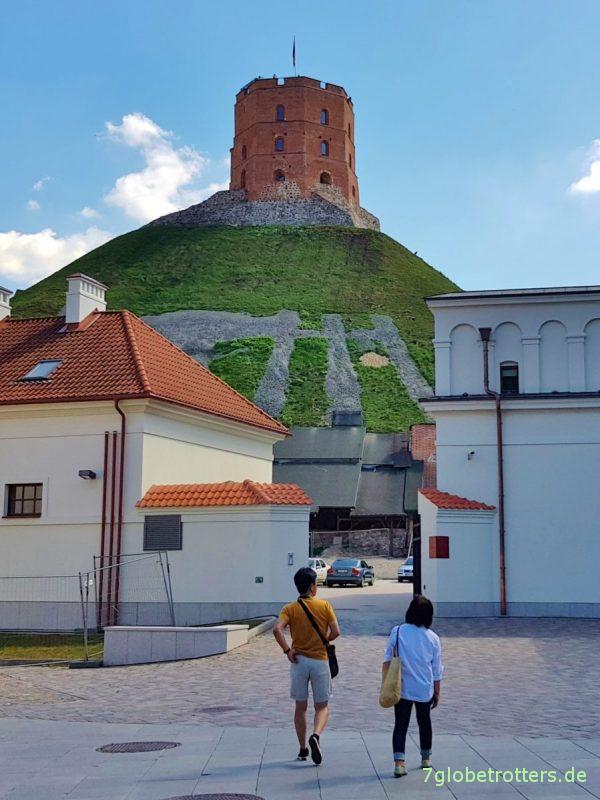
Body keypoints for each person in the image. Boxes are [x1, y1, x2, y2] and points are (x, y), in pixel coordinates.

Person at [273, 566, 340, 765]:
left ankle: (303, 749)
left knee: (300, 707)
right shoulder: (324, 606)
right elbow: (336, 632)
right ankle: (316, 736)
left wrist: (287, 650)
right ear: (312, 587)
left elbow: (277, 629)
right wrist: (324, 640)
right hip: (320, 661)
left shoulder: (289, 609)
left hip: (299, 662)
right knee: (322, 706)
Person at [382, 594, 443, 778]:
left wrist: (386, 681)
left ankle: (399, 763)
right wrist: (437, 692)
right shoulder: (433, 638)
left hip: (401, 686)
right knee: (425, 722)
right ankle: (426, 758)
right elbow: (437, 668)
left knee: (401, 724)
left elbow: (387, 657)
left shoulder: (398, 631)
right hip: (424, 687)